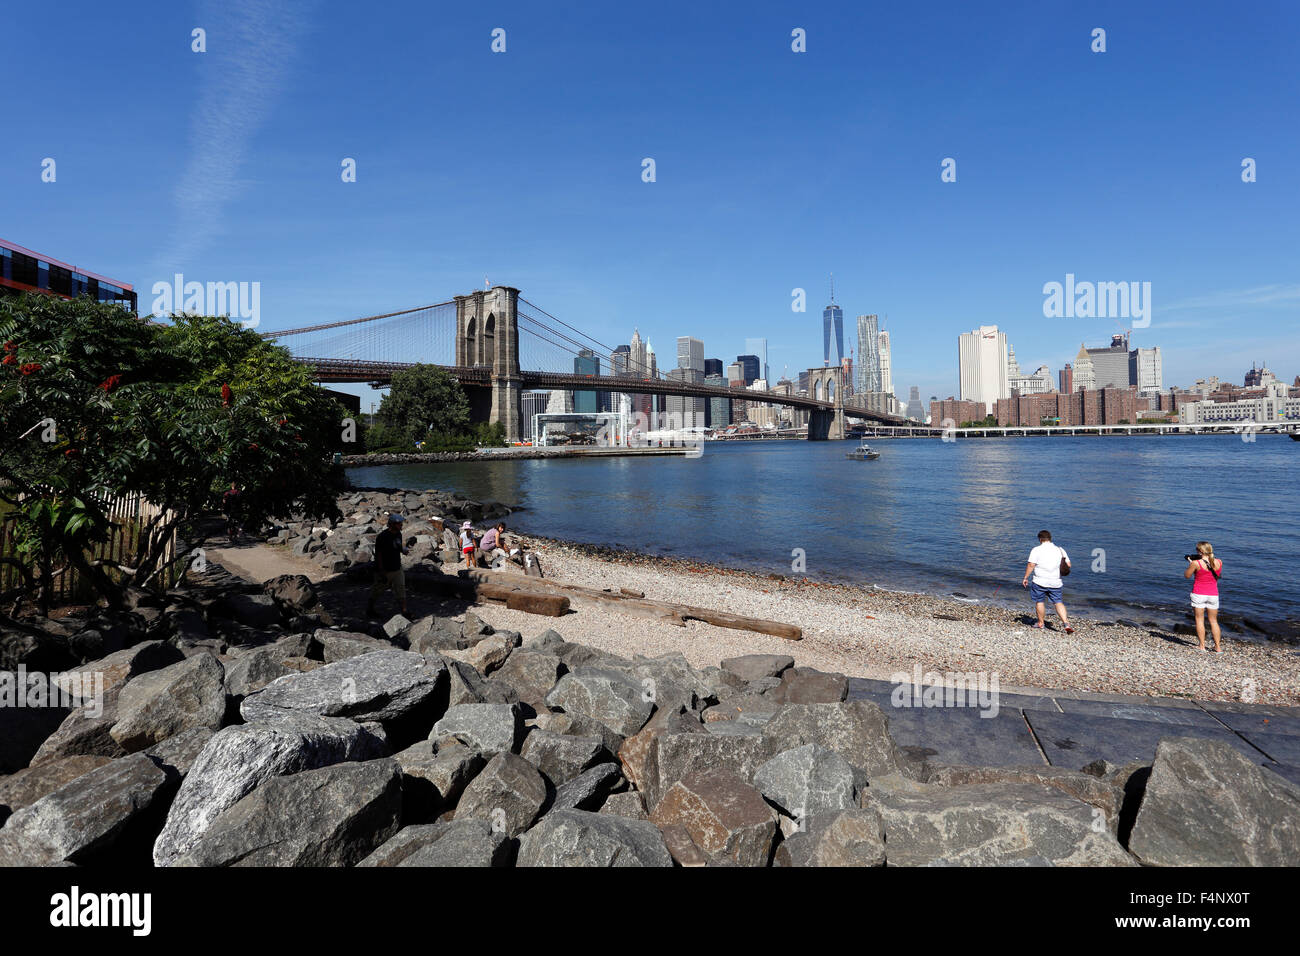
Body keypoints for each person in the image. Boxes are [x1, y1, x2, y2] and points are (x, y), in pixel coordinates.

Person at [1022, 529, 1073, 633]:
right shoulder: (1060, 550)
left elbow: (1031, 565)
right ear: (1050, 539)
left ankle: (1040, 623)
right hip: (1055, 582)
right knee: (1058, 602)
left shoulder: (1036, 550)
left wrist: (1025, 577)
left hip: (1040, 581)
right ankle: (1066, 623)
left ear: (1040, 539)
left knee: (1039, 601)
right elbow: (1068, 565)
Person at [1184, 541, 1223, 653]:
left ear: (1200, 551)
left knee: (1199, 620)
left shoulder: (1196, 563)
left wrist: (1191, 563)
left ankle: (1202, 646)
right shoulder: (1219, 562)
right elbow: (1216, 574)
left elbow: (1187, 576)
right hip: (1213, 594)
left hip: (1199, 594)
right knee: (1214, 621)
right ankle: (1218, 647)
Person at [367, 513, 408, 618]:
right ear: (393, 524)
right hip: (385, 570)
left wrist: (404, 550)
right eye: (399, 524)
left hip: (397, 568)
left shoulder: (399, 534)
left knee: (401, 589)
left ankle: (404, 611)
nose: (401, 525)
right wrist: (382, 571)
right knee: (377, 591)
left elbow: (398, 547)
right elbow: (379, 555)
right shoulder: (382, 537)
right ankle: (369, 609)